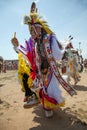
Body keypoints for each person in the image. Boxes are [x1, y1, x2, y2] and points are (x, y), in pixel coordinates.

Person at [22, 2, 76, 117]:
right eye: (30, 30)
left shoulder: (50, 38)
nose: (30, 33)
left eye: (32, 30)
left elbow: (57, 56)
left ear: (39, 29)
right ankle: (44, 105)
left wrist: (64, 53)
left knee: (51, 90)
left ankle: (48, 107)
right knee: (41, 87)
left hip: (51, 69)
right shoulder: (36, 43)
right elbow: (34, 57)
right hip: (42, 70)